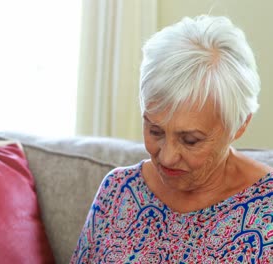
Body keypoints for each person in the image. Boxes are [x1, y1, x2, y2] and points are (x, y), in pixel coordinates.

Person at [70, 15, 273, 263]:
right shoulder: (118, 190)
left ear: (240, 125)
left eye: (190, 140)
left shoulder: (267, 209)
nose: (166, 157)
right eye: (155, 131)